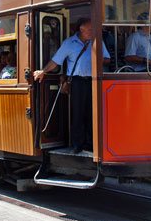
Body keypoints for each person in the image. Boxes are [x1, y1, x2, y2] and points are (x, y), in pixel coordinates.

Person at [33, 18, 110, 154]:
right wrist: (43, 71)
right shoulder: (69, 43)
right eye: (91, 29)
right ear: (82, 29)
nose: (93, 32)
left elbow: (108, 60)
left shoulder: (97, 41)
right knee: (78, 113)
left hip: (94, 80)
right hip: (78, 81)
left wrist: (97, 56)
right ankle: (78, 145)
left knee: (93, 113)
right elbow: (56, 61)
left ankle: (91, 144)